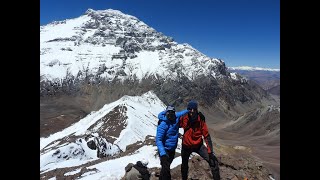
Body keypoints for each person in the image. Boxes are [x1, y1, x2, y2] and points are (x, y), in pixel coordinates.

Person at [179, 100, 220, 180]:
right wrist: (163, 121)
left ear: (196, 110)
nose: (192, 112)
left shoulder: (200, 120)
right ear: (188, 110)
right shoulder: (184, 118)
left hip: (198, 146)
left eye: (194, 110)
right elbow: (174, 123)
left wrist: (210, 151)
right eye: (190, 110)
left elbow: (206, 136)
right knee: (184, 165)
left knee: (213, 162)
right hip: (186, 146)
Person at [156, 105, 189, 180]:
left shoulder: (176, 117)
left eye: (172, 113)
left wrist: (189, 110)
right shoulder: (163, 124)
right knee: (166, 170)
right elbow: (159, 140)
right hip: (165, 150)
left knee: (165, 169)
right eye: (169, 113)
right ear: (166, 113)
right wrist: (163, 153)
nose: (170, 115)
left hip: (172, 149)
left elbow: (181, 113)